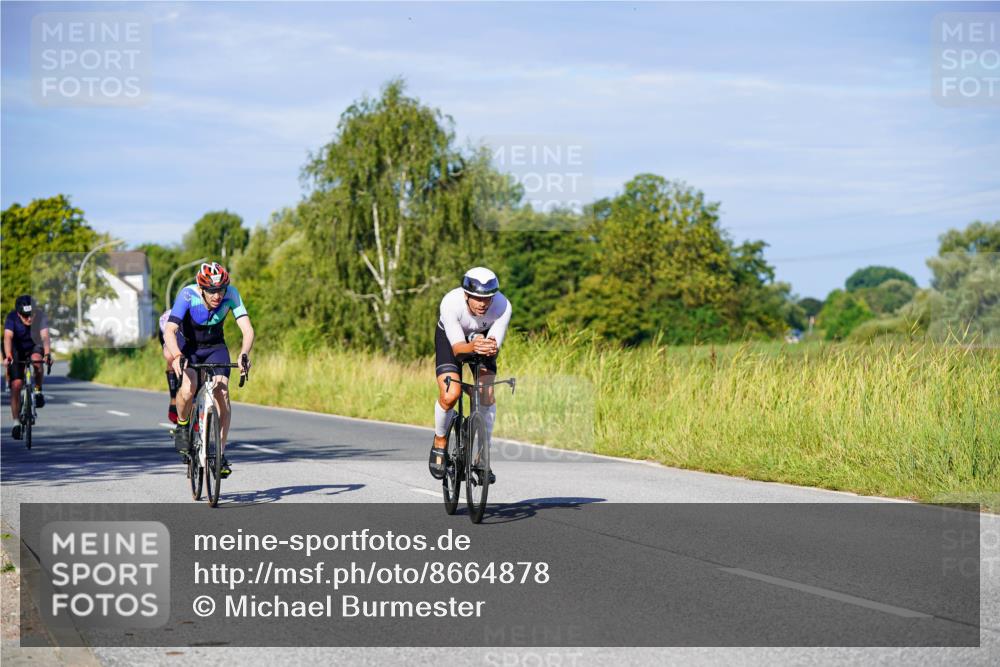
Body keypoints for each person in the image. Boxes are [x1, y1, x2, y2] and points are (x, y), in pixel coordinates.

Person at [162, 262, 254, 477]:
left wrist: (244, 354)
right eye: (212, 291)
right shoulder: (187, 295)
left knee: (222, 392)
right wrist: (177, 356)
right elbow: (170, 330)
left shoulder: (232, 294)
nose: (217, 295)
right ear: (202, 289)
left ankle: (220, 452)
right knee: (188, 387)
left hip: (215, 348)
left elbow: (247, 329)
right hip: (189, 347)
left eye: (220, 290)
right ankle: (183, 425)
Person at [428, 267, 512, 482]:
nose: (483, 304)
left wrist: (490, 347)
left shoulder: (503, 306)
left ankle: (482, 456)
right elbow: (457, 349)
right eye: (477, 298)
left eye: (488, 298)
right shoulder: (450, 302)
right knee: (450, 395)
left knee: (487, 395)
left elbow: (494, 343)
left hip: (481, 341)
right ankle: (440, 441)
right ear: (466, 294)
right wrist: (473, 345)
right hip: (452, 340)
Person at [3, 295, 51, 439]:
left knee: (37, 361)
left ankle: (37, 390)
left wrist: (47, 354)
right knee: (16, 384)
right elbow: (7, 338)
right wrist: (8, 355)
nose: (29, 319)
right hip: (16, 349)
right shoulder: (11, 318)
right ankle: (16, 422)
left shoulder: (40, 316)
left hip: (34, 346)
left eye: (31, 315)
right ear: (18, 313)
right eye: (25, 316)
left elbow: (45, 337)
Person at [157, 310, 184, 424]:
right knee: (172, 359)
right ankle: (173, 400)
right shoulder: (169, 317)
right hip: (167, 330)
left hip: (187, 334)